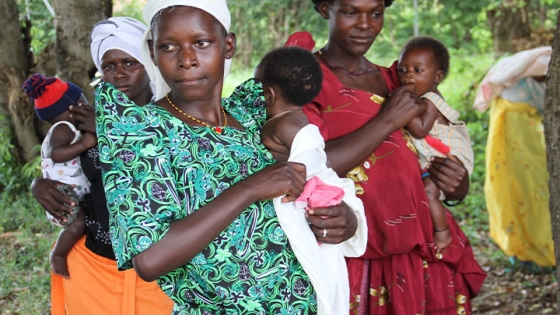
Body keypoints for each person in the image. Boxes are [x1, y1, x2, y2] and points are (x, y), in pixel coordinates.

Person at [96, 1, 358, 314]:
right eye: (168, 47)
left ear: (228, 45)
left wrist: (346, 218)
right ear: (152, 51)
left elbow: (315, 174)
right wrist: (248, 189)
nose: (187, 60)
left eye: (201, 43)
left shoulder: (253, 114)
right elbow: (150, 260)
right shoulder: (142, 133)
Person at [283, 0, 487, 314]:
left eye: (376, 13)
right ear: (325, 8)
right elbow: (304, 167)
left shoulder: (397, 79)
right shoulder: (303, 82)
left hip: (421, 247)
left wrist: (456, 186)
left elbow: (436, 144)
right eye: (351, 12)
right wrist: (387, 120)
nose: (365, 24)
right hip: (353, 250)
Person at [30, 17, 173, 315]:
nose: (119, 74)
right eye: (109, 66)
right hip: (92, 263)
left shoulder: (174, 116)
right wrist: (39, 184)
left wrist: (113, 132)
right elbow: (63, 160)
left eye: (129, 63)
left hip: (161, 272)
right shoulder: (90, 118)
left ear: (149, 64)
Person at [256, 46, 367, 315]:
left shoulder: (279, 125)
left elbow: (308, 164)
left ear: (268, 95)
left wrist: (297, 186)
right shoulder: (299, 118)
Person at [474, 46, 554, 267]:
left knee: (526, 186)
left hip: (518, 133)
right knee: (528, 186)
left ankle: (526, 243)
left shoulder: (533, 66)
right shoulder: (538, 68)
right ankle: (528, 244)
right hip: (517, 135)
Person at [396, 36, 474, 254]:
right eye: (402, 70)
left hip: (449, 156)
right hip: (436, 154)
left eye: (418, 70)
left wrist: (398, 105)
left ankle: (442, 231)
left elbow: (420, 129)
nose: (408, 75)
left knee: (429, 191)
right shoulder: (420, 96)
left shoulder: (431, 98)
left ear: (437, 77)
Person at [23, 73, 96, 279]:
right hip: (63, 194)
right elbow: (56, 153)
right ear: (72, 107)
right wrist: (85, 144)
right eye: (82, 100)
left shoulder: (63, 129)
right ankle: (59, 254)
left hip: (69, 191)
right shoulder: (63, 128)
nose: (86, 103)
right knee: (77, 224)